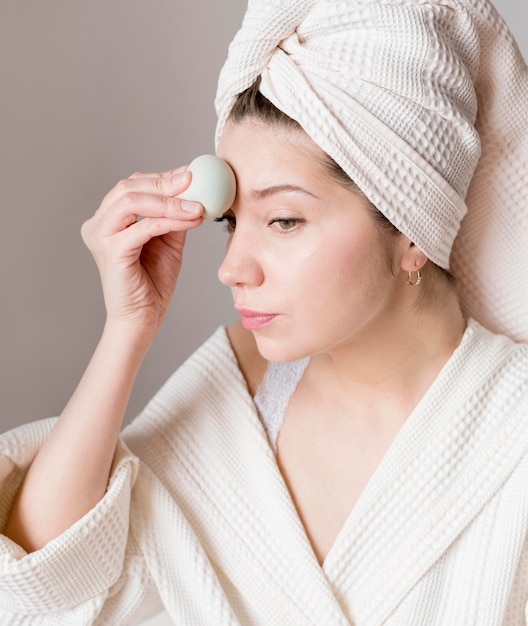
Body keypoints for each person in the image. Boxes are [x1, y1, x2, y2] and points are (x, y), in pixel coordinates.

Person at [1, 0, 528, 624]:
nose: (231, 268)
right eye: (230, 223)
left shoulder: (509, 428)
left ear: (412, 227)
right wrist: (126, 330)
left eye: (283, 220)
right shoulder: (239, 389)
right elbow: (44, 583)